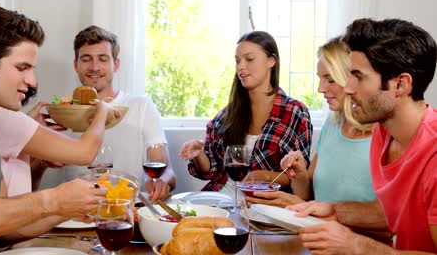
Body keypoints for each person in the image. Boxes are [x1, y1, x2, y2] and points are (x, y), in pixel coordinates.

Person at [288, 18, 437, 253]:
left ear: (401, 84)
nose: (347, 87)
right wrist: (334, 210)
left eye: (358, 76)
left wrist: (354, 244)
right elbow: (392, 211)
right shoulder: (384, 132)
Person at [0, 4, 107, 254]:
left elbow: (2, 232)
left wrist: (64, 209)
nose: (32, 81)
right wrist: (52, 200)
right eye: (22, 68)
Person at [44, 25, 175, 202]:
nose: (94, 67)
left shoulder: (141, 106)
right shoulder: (60, 111)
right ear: (76, 65)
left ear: (116, 64)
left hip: (124, 209)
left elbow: (167, 171)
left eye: (103, 59)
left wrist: (162, 181)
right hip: (73, 213)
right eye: (86, 59)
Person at [246, 37, 376, 207]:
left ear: (353, 78)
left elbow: (388, 221)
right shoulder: (332, 124)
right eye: (320, 78)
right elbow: (307, 196)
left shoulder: (382, 135)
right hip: (317, 231)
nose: (320, 88)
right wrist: (299, 175)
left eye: (330, 79)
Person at [179, 31, 313, 192]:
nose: (241, 66)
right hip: (220, 200)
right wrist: (198, 155)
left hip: (264, 206)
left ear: (271, 61)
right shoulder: (227, 115)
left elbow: (299, 175)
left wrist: (265, 176)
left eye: (249, 59)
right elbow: (211, 170)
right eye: (237, 61)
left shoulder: (295, 113)